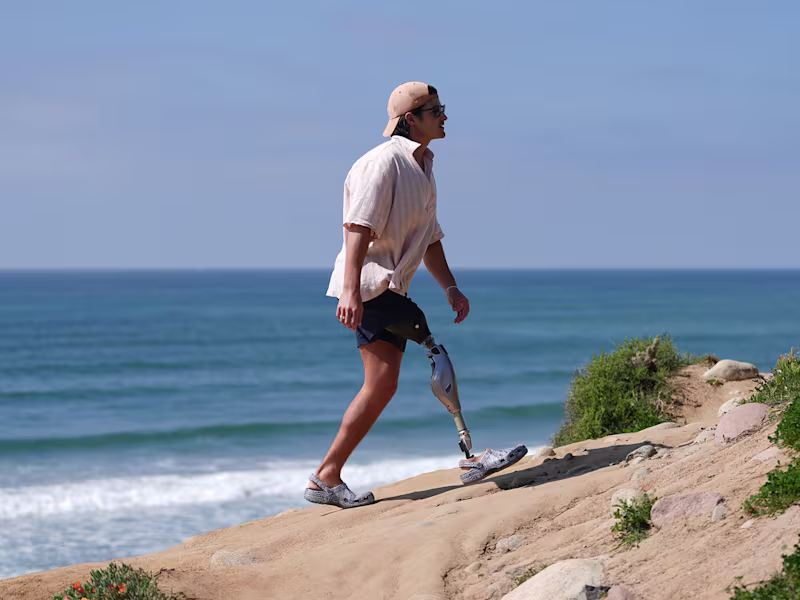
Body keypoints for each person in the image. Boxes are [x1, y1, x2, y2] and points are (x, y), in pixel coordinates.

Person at [304, 82, 524, 509]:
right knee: (433, 353)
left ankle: (325, 478)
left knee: (381, 387)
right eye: (436, 110)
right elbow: (357, 230)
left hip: (385, 287)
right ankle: (471, 457)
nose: (444, 117)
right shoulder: (381, 164)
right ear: (411, 119)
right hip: (371, 286)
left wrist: (451, 287)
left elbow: (430, 238)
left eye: (443, 109)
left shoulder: (423, 165)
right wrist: (350, 291)